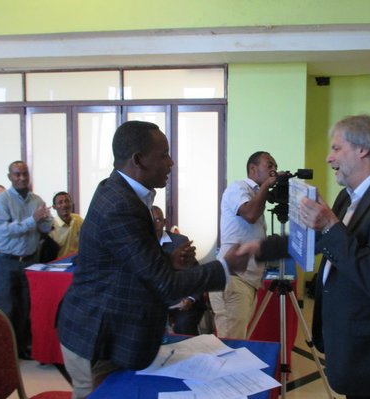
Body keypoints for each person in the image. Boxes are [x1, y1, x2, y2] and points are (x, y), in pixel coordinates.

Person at [240, 115, 370, 398]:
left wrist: (330, 224)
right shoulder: (348, 197)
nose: (329, 158)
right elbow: (317, 241)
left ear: (362, 149)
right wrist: (260, 249)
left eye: (336, 148)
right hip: (352, 340)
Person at [57, 120, 249, 399]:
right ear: (138, 160)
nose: (171, 162)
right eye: (163, 155)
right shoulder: (120, 204)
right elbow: (165, 285)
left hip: (116, 331)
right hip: (97, 336)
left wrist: (166, 260)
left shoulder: (123, 192)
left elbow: (127, 258)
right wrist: (225, 266)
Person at [209, 151, 278, 339]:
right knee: (231, 343)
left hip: (247, 280)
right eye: (269, 165)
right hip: (234, 278)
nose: (274, 171)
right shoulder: (237, 188)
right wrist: (266, 186)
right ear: (253, 168)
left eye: (275, 168)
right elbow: (250, 214)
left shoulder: (257, 195)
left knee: (237, 338)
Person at [0, 161, 52, 359]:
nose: (22, 178)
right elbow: (3, 231)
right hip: (5, 261)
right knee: (5, 309)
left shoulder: (36, 200)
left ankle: (22, 348)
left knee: (26, 307)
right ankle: (4, 354)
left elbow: (44, 229)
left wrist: (45, 220)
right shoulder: (2, 201)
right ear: (10, 176)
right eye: (17, 174)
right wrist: (33, 219)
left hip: (30, 261)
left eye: (25, 174)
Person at [152, 205, 206, 336]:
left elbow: (197, 275)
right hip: (154, 304)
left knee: (183, 324)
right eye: (150, 220)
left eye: (158, 220)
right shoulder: (140, 243)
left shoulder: (179, 242)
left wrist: (191, 298)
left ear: (164, 222)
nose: (154, 224)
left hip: (183, 301)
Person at [49, 191, 84, 257]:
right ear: (54, 207)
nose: (64, 205)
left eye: (67, 201)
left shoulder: (78, 219)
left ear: (71, 204)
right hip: (59, 264)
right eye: (60, 202)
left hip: (77, 260)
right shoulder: (51, 226)